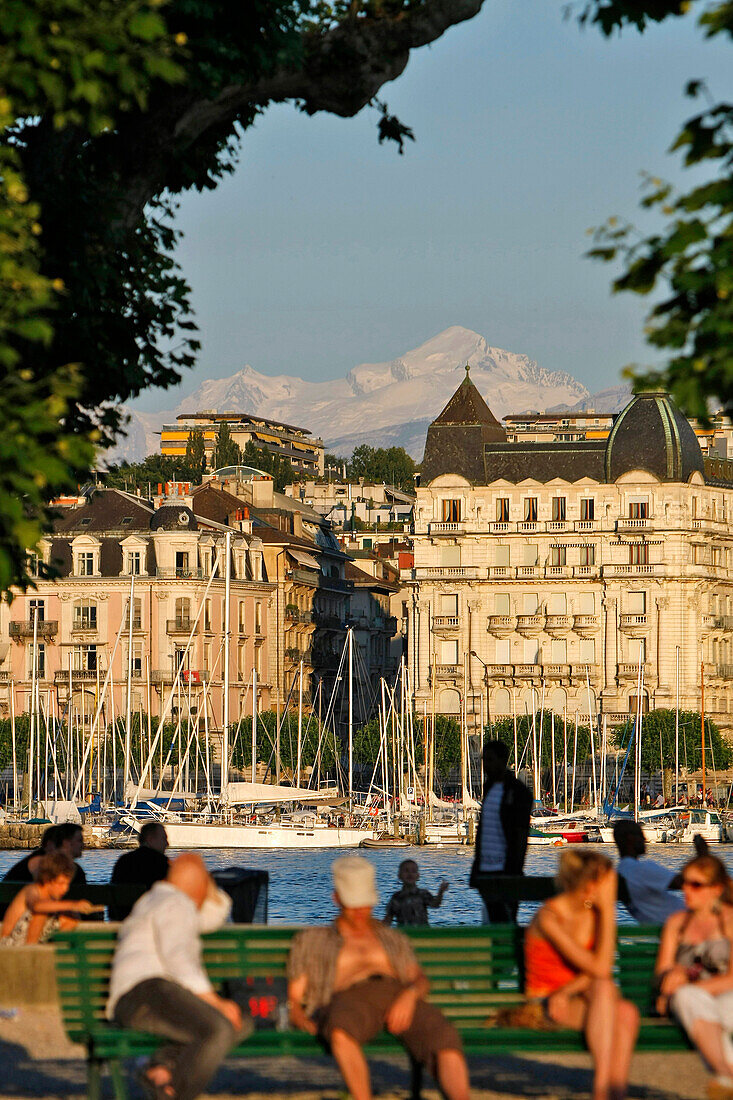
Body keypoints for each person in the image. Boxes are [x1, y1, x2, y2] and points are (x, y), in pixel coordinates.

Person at [287, 854, 470, 1100]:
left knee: (444, 1036)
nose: (362, 912)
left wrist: (409, 994)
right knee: (341, 1032)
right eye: (355, 906)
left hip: (398, 993)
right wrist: (300, 1018)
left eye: (366, 904)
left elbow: (419, 979)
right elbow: (294, 996)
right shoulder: (315, 940)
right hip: (348, 998)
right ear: (337, 899)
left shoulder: (390, 938)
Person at [107, 852, 249, 1100]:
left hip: (139, 1001)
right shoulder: (175, 903)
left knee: (239, 1024)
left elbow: (211, 918)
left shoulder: (156, 899)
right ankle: (176, 1093)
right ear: (198, 890)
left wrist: (202, 881)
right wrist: (215, 1001)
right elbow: (179, 959)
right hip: (146, 995)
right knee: (221, 1029)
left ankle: (160, 1070)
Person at [524, 849, 639, 1100]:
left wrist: (568, 991)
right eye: (606, 882)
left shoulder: (593, 914)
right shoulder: (549, 917)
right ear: (589, 887)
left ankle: (614, 1093)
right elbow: (600, 969)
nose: (611, 887)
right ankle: (602, 1090)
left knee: (626, 1010)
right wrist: (609, 908)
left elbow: (599, 970)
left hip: (577, 996)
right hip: (545, 1002)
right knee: (615, 1002)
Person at [655, 851, 733, 1097]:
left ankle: (726, 1079)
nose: (686, 890)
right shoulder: (677, 923)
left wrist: (686, 988)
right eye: (684, 883)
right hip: (688, 1001)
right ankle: (726, 1074)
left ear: (716, 889)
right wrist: (673, 973)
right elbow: (662, 971)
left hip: (726, 995)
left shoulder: (729, 920)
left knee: (700, 1000)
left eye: (696, 885)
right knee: (687, 1000)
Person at [469, 738, 532, 923]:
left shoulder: (518, 792)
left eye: (489, 760)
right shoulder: (488, 787)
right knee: (493, 918)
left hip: (506, 869)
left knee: (505, 918)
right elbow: (484, 828)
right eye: (483, 760)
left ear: (502, 760)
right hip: (486, 868)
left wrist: (515, 870)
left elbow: (521, 834)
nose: (485, 765)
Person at [0, 853, 102, 945]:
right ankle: (31, 951)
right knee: (41, 913)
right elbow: (37, 906)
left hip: (33, 941)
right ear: (48, 879)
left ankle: (51, 948)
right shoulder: (32, 890)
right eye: (61, 883)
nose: (65, 888)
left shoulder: (51, 898)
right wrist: (73, 904)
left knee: (70, 916)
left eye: (67, 884)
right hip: (9, 943)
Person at [613, 819, 685, 924]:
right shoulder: (639, 870)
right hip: (686, 924)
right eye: (641, 835)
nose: (644, 839)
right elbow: (684, 883)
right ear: (630, 838)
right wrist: (703, 855)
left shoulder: (622, 871)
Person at [109, 822, 169, 920]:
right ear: (150, 839)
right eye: (164, 838)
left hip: (123, 920)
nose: (167, 843)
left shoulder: (124, 861)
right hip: (152, 920)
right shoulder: (162, 863)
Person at [384, 860, 448, 927]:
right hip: (404, 934)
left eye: (413, 871)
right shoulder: (396, 897)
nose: (410, 874)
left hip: (423, 934)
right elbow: (388, 919)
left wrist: (441, 892)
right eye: (406, 871)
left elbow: (435, 904)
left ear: (418, 876)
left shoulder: (423, 894)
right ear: (399, 876)